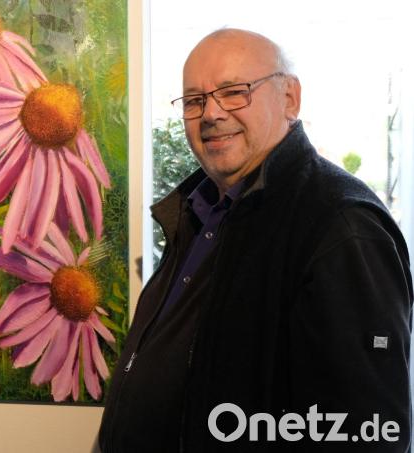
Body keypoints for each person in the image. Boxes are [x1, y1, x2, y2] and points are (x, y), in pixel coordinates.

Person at [99, 28, 412, 452]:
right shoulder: (198, 211)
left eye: (234, 92)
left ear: (290, 99)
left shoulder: (340, 225)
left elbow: (368, 434)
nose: (211, 113)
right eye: (194, 100)